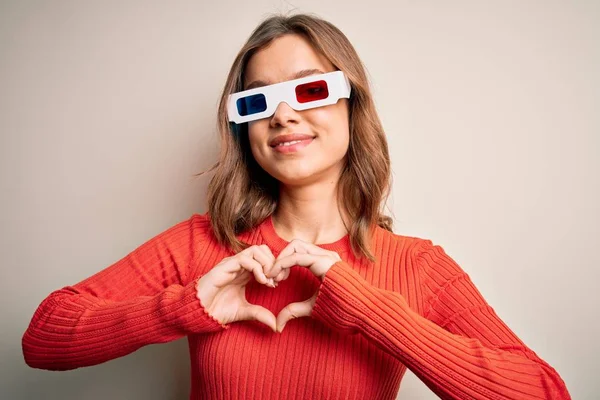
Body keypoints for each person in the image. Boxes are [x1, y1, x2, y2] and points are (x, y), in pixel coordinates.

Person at [22, 12, 571, 400]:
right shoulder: (204, 246)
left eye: (310, 90)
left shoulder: (417, 267)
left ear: (353, 106)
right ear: (245, 130)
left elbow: (545, 394)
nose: (282, 115)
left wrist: (368, 310)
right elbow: (43, 336)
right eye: (257, 100)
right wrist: (183, 306)